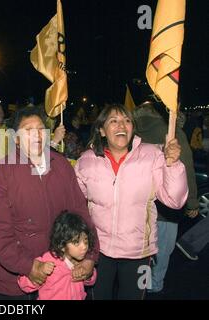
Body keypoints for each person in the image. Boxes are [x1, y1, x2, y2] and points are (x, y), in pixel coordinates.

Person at [74, 104, 188, 300]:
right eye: (114, 121)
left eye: (127, 121)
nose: (122, 126)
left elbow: (175, 200)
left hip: (140, 252)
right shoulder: (86, 161)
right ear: (101, 130)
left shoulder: (152, 155)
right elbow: (76, 205)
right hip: (98, 252)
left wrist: (173, 164)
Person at [0, 107, 99, 300]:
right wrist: (27, 266)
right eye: (28, 130)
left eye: (40, 129)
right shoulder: (2, 172)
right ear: (16, 138)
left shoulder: (61, 165)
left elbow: (80, 213)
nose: (37, 135)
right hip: (16, 279)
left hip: (62, 274)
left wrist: (89, 256)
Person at [133, 101, 199, 293]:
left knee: (143, 251)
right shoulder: (172, 134)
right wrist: (192, 202)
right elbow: (186, 169)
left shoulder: (131, 132)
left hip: (141, 206)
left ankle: (141, 286)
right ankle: (156, 284)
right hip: (167, 208)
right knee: (162, 250)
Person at [17, 212, 97, 300]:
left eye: (85, 241)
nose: (84, 247)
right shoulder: (48, 260)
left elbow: (90, 281)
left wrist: (88, 275)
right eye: (76, 242)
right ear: (62, 245)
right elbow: (24, 284)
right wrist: (41, 271)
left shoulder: (82, 259)